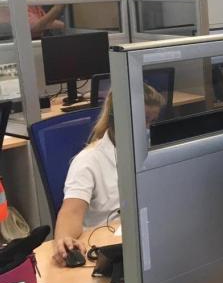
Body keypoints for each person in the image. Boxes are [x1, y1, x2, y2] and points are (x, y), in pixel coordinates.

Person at [52, 85, 165, 264]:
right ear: (118, 119)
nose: (146, 128)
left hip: (145, 241)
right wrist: (65, 240)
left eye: (152, 121)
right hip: (105, 252)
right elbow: (71, 212)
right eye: (142, 120)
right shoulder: (88, 161)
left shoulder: (151, 151)